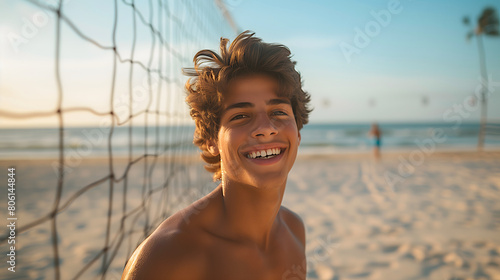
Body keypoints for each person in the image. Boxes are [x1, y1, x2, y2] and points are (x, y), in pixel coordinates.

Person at [121, 31, 312, 280]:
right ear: (212, 141)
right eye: (240, 116)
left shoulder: (295, 230)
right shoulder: (168, 256)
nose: (266, 127)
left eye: (278, 112)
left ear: (297, 133)